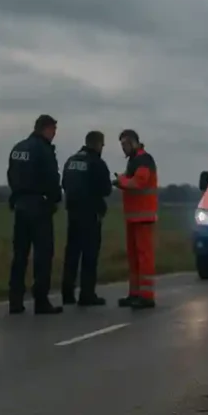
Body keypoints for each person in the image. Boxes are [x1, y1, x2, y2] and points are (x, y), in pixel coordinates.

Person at [7, 114, 63, 315]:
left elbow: (11, 175)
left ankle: (15, 299)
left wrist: (16, 196)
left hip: (21, 205)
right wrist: (54, 199)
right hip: (39, 206)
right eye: (53, 130)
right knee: (43, 255)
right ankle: (41, 300)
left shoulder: (18, 148)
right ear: (46, 129)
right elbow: (51, 178)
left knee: (20, 255)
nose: (54, 135)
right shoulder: (43, 149)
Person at [61, 130, 113, 306]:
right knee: (89, 256)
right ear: (98, 144)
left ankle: (67, 293)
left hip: (73, 213)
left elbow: (64, 184)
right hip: (90, 214)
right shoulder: (96, 162)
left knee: (72, 254)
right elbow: (106, 189)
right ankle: (87, 294)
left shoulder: (71, 160)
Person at [113, 129, 158, 309]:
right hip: (133, 217)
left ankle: (146, 295)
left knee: (144, 257)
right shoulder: (134, 160)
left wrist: (121, 182)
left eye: (125, 144)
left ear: (133, 142)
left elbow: (139, 182)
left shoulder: (143, 160)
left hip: (143, 216)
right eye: (121, 145)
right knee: (134, 258)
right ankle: (135, 293)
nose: (123, 148)